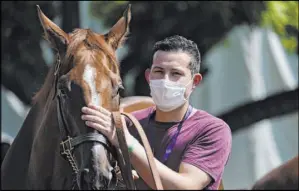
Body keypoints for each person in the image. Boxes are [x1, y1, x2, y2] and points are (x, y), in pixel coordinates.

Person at [81, 35, 232, 190]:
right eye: (159, 71)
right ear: (148, 77)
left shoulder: (212, 130)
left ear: (195, 82)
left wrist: (129, 144)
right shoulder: (127, 123)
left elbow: (186, 187)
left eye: (176, 74)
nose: (165, 80)